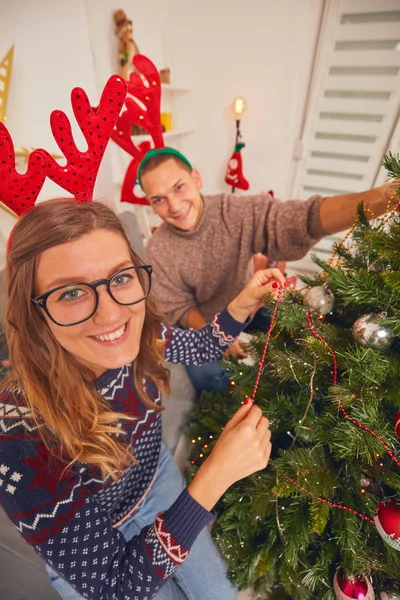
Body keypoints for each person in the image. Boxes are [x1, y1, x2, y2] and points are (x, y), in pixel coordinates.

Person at [0, 198, 285, 600]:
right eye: (70, 294)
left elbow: (199, 346)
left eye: (120, 279)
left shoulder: (144, 336)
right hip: (97, 547)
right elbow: (116, 587)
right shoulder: (18, 436)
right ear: (34, 312)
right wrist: (215, 476)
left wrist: (241, 304)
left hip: (158, 482)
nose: (111, 316)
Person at [141, 147, 398, 393]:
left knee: (299, 331)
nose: (174, 205)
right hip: (203, 325)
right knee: (209, 376)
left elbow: (301, 218)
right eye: (159, 199)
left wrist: (380, 198)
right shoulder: (158, 249)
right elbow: (180, 309)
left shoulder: (234, 211)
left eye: (178, 187)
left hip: (248, 306)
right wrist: (220, 335)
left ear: (195, 178)